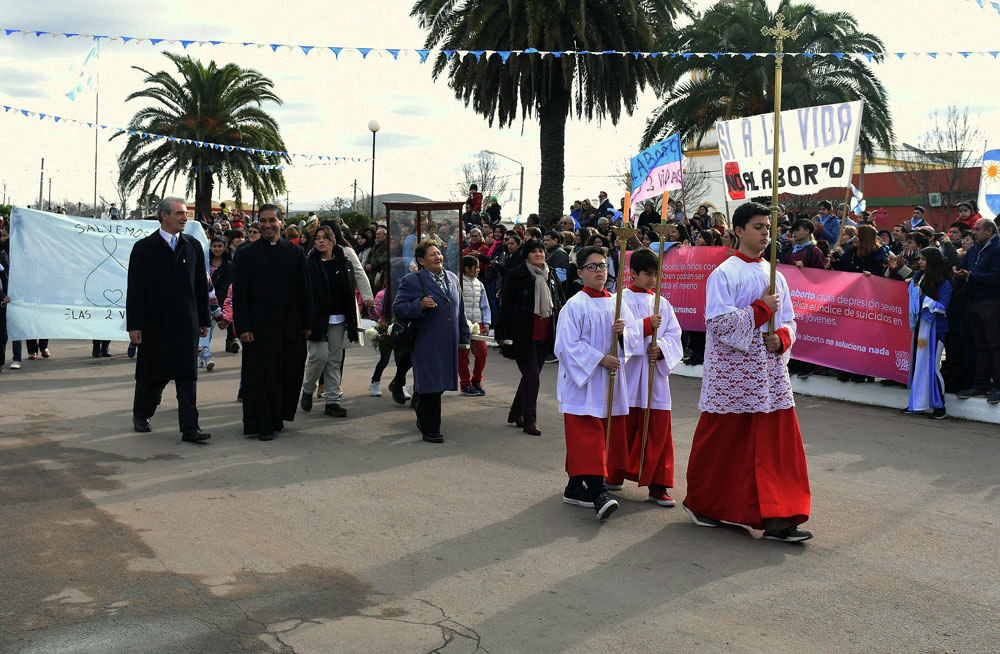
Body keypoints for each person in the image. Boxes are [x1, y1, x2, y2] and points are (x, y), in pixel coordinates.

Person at [682, 201, 812, 543]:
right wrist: (759, 310)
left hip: (769, 376)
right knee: (725, 444)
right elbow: (720, 325)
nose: (765, 233)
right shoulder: (723, 274)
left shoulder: (776, 275)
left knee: (775, 447)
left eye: (768, 228)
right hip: (733, 375)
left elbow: (790, 321)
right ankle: (705, 503)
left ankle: (779, 516)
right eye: (757, 226)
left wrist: (781, 338)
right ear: (738, 231)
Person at [553, 246, 640, 521]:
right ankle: (598, 493)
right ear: (580, 273)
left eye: (602, 265)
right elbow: (566, 346)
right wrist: (600, 359)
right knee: (587, 436)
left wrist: (624, 333)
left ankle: (574, 487)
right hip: (585, 382)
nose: (599, 270)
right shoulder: (574, 305)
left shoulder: (617, 302)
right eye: (592, 266)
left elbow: (635, 336)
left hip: (610, 381)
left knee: (600, 435)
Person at [126, 197, 212, 443]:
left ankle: (190, 428)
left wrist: (204, 318)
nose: (185, 218)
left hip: (186, 323)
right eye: (179, 214)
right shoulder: (144, 248)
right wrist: (134, 325)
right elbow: (135, 290)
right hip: (155, 325)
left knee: (187, 377)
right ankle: (141, 414)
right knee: (151, 376)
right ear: (164, 216)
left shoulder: (192, 246)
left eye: (186, 214)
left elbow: (200, 287)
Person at [231, 204, 315, 441]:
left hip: (290, 325)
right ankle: (263, 423)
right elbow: (240, 294)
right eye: (263, 220)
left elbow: (305, 289)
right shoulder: (246, 254)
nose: (267, 225)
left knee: (288, 373)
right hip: (258, 327)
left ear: (281, 221)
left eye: (272, 220)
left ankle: (277, 416)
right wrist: (243, 326)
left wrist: (308, 322)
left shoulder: (295, 252)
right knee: (261, 375)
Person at [607, 247, 684, 506]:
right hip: (628, 374)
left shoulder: (662, 303)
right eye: (648, 274)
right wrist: (642, 338)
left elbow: (675, 336)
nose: (653, 280)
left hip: (654, 376)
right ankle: (613, 473)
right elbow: (615, 335)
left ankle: (658, 484)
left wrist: (661, 350)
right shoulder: (619, 300)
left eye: (656, 274)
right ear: (633, 273)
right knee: (622, 425)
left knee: (657, 429)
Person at [392, 242, 470, 443]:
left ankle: (420, 405)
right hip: (426, 341)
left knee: (440, 383)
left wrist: (464, 338)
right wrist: (419, 304)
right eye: (432, 254)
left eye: (439, 253)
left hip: (449, 342)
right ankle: (431, 428)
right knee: (432, 386)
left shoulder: (452, 278)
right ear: (421, 260)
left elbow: (460, 311)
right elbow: (398, 307)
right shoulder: (412, 280)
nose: (438, 257)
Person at [299, 225, 371, 418]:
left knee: (334, 360)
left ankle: (332, 400)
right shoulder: (309, 264)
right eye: (318, 238)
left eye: (325, 238)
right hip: (316, 320)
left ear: (332, 241)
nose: (321, 241)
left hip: (338, 319)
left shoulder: (344, 262)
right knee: (319, 357)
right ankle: (308, 388)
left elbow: (350, 289)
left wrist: (363, 303)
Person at [496, 239, 566, 435]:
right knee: (532, 377)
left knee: (529, 378)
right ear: (526, 255)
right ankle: (529, 421)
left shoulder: (550, 274)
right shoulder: (515, 275)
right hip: (523, 335)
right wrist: (501, 333)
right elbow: (506, 307)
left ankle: (515, 412)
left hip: (545, 334)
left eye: (541, 251)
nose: (538, 254)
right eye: (534, 251)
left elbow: (561, 300)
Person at [953, 218, 1000, 403]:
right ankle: (980, 385)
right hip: (972, 302)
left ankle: (997, 386)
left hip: (991, 303)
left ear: (989, 231)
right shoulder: (974, 249)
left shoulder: (997, 249)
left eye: (978, 229)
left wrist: (971, 277)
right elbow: (965, 268)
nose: (974, 232)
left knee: (995, 346)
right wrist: (959, 272)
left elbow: (996, 276)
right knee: (980, 346)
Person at [902, 248, 952, 419]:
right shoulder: (920, 277)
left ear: (932, 262)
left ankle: (940, 406)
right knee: (918, 365)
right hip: (920, 328)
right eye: (920, 259)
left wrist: (922, 297)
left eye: (923, 259)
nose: (920, 262)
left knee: (932, 367)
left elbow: (943, 307)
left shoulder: (944, 283)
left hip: (936, 331)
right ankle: (917, 403)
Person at [459, 255, 491, 396]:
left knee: (482, 352)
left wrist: (486, 323)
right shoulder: (458, 283)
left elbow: (485, 305)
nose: (478, 269)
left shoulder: (479, 284)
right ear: (466, 268)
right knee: (463, 355)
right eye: (476, 267)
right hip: (462, 324)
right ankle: (465, 384)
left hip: (477, 324)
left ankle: (477, 380)